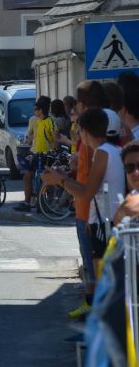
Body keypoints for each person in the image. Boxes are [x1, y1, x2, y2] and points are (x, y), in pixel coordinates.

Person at [43, 108, 124, 320]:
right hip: (103, 221)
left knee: (104, 283)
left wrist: (60, 180)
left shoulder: (102, 153)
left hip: (107, 226)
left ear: (85, 131)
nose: (78, 135)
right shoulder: (112, 150)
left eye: (79, 130)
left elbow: (87, 193)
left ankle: (105, 331)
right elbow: (95, 192)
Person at [61, 81, 107, 318]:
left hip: (88, 209)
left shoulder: (93, 138)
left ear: (85, 104)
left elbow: (91, 179)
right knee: (90, 260)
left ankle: (93, 306)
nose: (74, 109)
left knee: (92, 261)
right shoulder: (86, 133)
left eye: (77, 104)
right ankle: (91, 303)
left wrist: (63, 180)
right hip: (84, 206)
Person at [15, 96, 56, 212]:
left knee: (48, 178)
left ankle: (49, 203)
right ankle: (27, 202)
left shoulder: (50, 120)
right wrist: (29, 139)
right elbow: (29, 136)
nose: (34, 111)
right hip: (35, 152)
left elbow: (54, 138)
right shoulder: (33, 120)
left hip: (47, 153)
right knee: (27, 175)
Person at [113, 140, 139, 226]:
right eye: (129, 167)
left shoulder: (129, 203)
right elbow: (116, 223)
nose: (135, 172)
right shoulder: (129, 200)